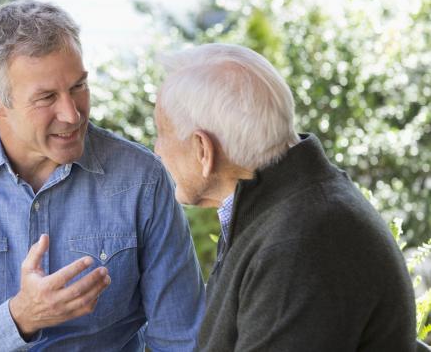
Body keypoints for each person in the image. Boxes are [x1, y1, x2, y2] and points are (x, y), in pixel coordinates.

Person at [0, 0, 205, 351]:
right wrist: (20, 318)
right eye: (46, 97)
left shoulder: (140, 178)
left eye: (78, 87)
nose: (72, 115)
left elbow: (183, 339)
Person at [153, 43, 416, 351]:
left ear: (203, 149)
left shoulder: (301, 243)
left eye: (161, 132)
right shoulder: (281, 209)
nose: (157, 150)